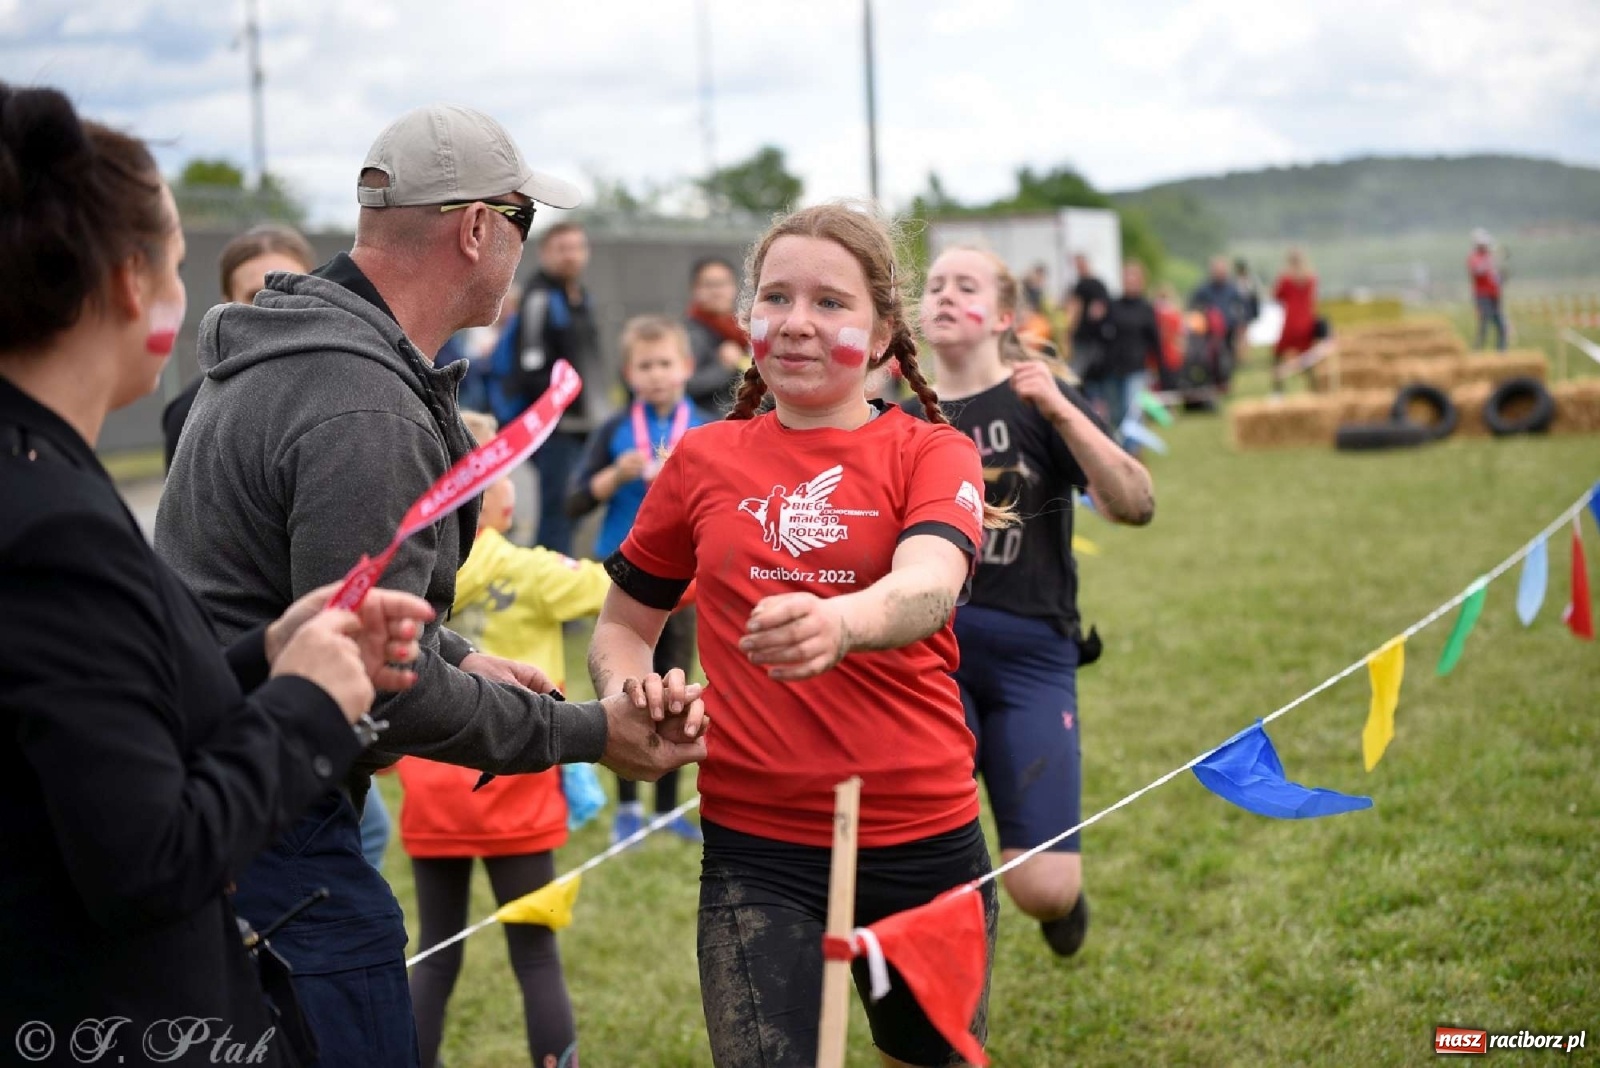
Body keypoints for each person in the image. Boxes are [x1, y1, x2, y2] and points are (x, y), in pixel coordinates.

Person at [154, 104, 707, 1067]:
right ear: (477, 229)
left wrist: (461, 654)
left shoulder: (301, 351)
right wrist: (589, 733)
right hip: (276, 831)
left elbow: (322, 603)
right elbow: (371, 680)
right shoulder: (362, 403)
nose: (524, 254)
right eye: (523, 226)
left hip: (223, 799)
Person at [0, 82, 434, 1066]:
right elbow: (151, 860)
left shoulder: (42, 469)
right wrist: (306, 701)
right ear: (126, 285)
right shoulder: (51, 527)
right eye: (180, 268)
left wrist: (258, 655)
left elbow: (88, 717)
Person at [588, 202, 1009, 1067]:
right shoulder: (702, 461)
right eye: (775, 297)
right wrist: (633, 694)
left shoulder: (932, 452)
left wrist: (841, 622)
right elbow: (623, 627)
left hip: (922, 833)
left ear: (885, 328)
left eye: (830, 303)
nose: (796, 323)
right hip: (755, 847)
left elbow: (930, 586)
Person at [915, 245, 1154, 961]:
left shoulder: (1036, 396)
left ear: (1005, 315)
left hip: (1033, 652)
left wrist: (1059, 409)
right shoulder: (902, 413)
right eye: (934, 286)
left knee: (1042, 888)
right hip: (927, 655)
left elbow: (1135, 505)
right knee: (928, 856)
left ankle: (1060, 902)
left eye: (966, 285)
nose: (947, 295)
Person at [400, 410, 607, 1068]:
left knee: (434, 951)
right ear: (499, 498)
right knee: (535, 951)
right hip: (516, 776)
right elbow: (621, 585)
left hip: (430, 779)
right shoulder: (534, 569)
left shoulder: (416, 569)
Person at [567, 316, 716, 846]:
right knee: (629, 686)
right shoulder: (612, 430)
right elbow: (574, 499)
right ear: (630, 374)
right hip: (625, 582)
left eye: (666, 364)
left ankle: (667, 810)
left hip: (687, 583)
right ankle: (628, 807)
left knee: (677, 690)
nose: (656, 375)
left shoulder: (706, 427)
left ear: (687, 369)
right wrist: (615, 476)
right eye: (645, 366)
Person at [490, 222, 615, 553]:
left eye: (576, 247)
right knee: (557, 516)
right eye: (562, 249)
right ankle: (549, 593)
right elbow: (531, 367)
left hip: (586, 425)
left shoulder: (580, 297)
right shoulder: (539, 299)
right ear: (545, 254)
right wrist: (565, 399)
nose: (570, 256)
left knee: (572, 510)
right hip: (556, 428)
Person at [160, 223, 316, 468]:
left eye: (287, 291)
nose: (272, 306)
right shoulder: (191, 414)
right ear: (227, 304)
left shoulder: (350, 396)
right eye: (255, 295)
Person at [1092, 259, 1163, 445]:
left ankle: (1130, 454)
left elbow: (1155, 340)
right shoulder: (1112, 306)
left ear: (1141, 281)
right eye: (1127, 278)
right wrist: (1096, 320)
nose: (1130, 281)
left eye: (1134, 278)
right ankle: (1120, 449)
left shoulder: (1146, 309)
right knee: (1115, 414)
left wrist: (1162, 370)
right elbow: (1100, 336)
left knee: (1132, 413)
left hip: (1136, 368)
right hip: (1113, 368)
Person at [684, 255, 749, 413]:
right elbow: (682, 384)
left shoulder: (744, 331)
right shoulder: (688, 334)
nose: (717, 291)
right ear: (695, 290)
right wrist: (724, 367)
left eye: (723, 284)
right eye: (709, 285)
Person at [1189, 256, 1244, 388]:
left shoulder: (1233, 289)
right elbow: (1193, 309)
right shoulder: (1203, 290)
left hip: (1228, 332)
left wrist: (1241, 332)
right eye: (1217, 270)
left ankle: (1225, 383)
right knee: (1210, 359)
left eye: (1222, 271)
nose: (1219, 273)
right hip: (1208, 334)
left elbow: (1241, 311)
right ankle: (1212, 383)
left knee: (1228, 359)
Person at [1272, 248, 1320, 392]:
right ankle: (1314, 388)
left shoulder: (1286, 279)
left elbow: (1277, 296)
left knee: (1277, 357)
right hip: (1307, 321)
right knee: (1308, 359)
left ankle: (1277, 391)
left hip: (1291, 322)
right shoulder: (1311, 278)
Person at [1063, 252, 1114, 379]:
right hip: (1091, 337)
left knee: (1076, 371)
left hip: (1088, 337)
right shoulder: (1092, 284)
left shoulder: (1087, 285)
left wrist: (1069, 330)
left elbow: (1078, 310)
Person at [1468, 228, 1507, 351]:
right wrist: (1489, 261)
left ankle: (1501, 352)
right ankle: (1478, 350)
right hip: (1482, 295)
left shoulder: (1490, 257)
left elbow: (1496, 277)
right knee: (1484, 322)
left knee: (1501, 326)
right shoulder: (1474, 257)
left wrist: (1501, 277)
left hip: (1494, 295)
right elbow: (1477, 271)